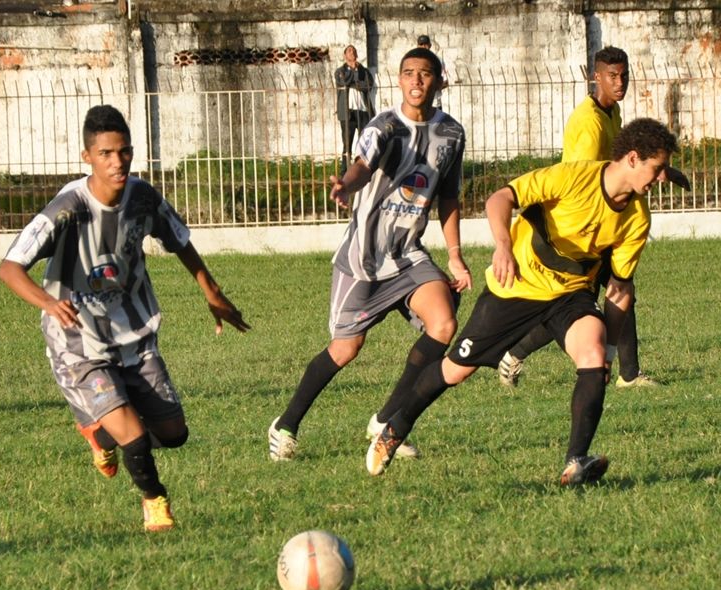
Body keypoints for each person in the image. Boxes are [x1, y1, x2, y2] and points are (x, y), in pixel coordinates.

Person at [367, 118, 678, 485]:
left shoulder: (637, 218)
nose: (661, 179)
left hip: (570, 294)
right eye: (657, 169)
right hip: (516, 286)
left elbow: (620, 288)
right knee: (456, 368)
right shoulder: (573, 178)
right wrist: (503, 246)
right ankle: (393, 430)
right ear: (631, 158)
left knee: (592, 352)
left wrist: (611, 349)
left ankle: (575, 463)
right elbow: (501, 198)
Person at [0, 104, 250, 532]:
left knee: (174, 433)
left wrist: (212, 292)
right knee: (133, 433)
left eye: (125, 152)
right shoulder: (67, 209)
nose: (118, 162)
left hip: (133, 333)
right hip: (77, 339)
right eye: (107, 153)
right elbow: (8, 268)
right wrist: (48, 303)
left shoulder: (144, 197)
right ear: (88, 156)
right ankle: (155, 501)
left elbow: (180, 241)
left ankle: (101, 433)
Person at [268, 47, 472, 462]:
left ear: (438, 80)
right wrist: (346, 184)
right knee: (345, 349)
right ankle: (285, 424)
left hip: (408, 254)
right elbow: (362, 163)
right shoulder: (385, 126)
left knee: (444, 323)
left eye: (425, 74)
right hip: (364, 257)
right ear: (399, 80)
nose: (416, 81)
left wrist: (455, 256)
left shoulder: (451, 133)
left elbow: (448, 197)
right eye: (409, 73)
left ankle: (386, 419)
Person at [497, 46, 656, 389]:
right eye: (612, 76)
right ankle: (513, 352)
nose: (620, 82)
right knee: (575, 306)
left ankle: (628, 374)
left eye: (624, 75)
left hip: (606, 224)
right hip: (584, 230)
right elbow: (583, 181)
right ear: (595, 76)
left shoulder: (610, 113)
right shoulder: (588, 123)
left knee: (619, 290)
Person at [334, 45, 376, 171]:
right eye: (349, 51)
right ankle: (345, 171)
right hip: (347, 112)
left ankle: (363, 168)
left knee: (364, 142)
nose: (352, 53)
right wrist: (355, 76)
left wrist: (354, 81)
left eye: (354, 51)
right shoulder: (340, 71)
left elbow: (368, 86)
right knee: (347, 143)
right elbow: (343, 82)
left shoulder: (364, 71)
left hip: (363, 111)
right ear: (345, 55)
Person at [416, 35, 449, 109]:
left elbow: (446, 82)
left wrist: (432, 88)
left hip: (434, 104)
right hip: (419, 104)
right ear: (418, 46)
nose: (423, 46)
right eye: (421, 44)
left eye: (425, 44)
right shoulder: (413, 62)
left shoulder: (438, 60)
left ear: (430, 45)